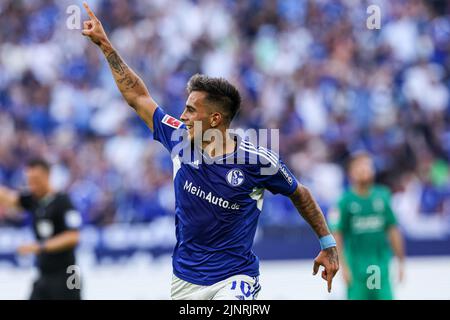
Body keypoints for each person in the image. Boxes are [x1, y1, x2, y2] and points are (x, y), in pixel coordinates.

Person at [81, 2, 338, 300]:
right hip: (185, 279)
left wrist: (327, 243)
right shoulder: (179, 138)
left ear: (215, 119)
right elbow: (138, 96)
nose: (183, 115)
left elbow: (300, 193)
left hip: (235, 278)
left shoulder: (256, 161)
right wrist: (105, 45)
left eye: (191, 109)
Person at [0, 159, 82, 300]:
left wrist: (40, 246)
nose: (32, 185)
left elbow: (73, 236)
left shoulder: (63, 201)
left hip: (68, 274)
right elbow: (9, 198)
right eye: (29, 180)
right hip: (44, 274)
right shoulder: (34, 200)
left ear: (48, 176)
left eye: (36, 179)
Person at [329, 152, 405, 300]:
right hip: (356, 270)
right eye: (359, 166)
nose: (364, 169)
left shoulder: (383, 196)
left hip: (380, 269)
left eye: (367, 165)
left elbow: (393, 230)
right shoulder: (344, 201)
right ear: (351, 172)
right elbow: (337, 235)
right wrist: (342, 266)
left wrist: (401, 262)